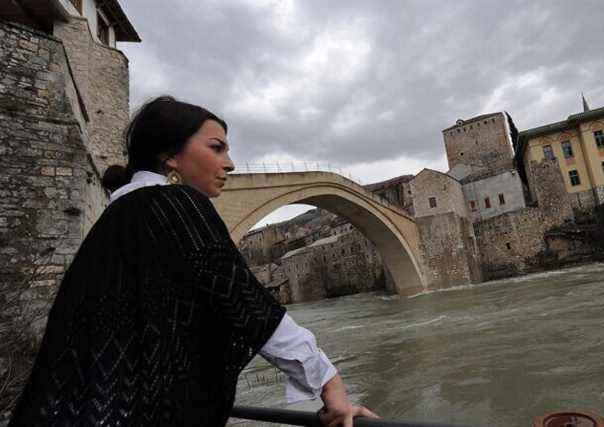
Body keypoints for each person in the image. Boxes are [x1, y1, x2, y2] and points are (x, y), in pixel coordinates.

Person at [10, 96, 378, 426]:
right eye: (216, 148)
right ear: (170, 155)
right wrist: (329, 383)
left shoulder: (114, 219)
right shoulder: (178, 205)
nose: (230, 164)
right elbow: (245, 302)